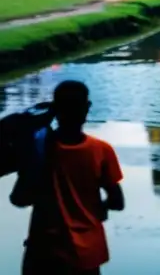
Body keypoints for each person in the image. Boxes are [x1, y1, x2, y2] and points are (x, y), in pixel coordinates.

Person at [22, 80, 124, 275]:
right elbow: (117, 202)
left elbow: (20, 198)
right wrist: (98, 207)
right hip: (86, 255)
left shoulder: (38, 148)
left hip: (44, 252)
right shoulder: (101, 151)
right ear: (87, 108)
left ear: (55, 110)